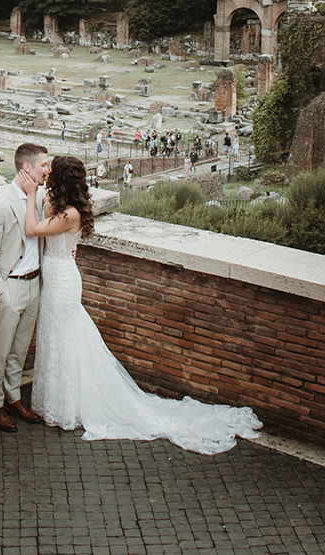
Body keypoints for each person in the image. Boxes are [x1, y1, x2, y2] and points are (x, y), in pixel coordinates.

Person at [23, 155, 261, 454]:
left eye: (50, 172)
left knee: (65, 339)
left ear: (59, 179)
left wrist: (32, 191)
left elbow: (32, 230)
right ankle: (55, 402)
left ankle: (66, 407)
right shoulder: (58, 206)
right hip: (56, 275)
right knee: (54, 337)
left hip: (63, 281)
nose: (46, 175)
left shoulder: (70, 214)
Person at [0, 142, 49, 432]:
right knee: (0, 351)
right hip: (10, 287)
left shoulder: (39, 197)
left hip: (34, 284)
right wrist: (1, 294)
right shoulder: (1, 204)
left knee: (19, 350)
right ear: (26, 168)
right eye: (44, 164)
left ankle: (14, 398)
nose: (47, 169)